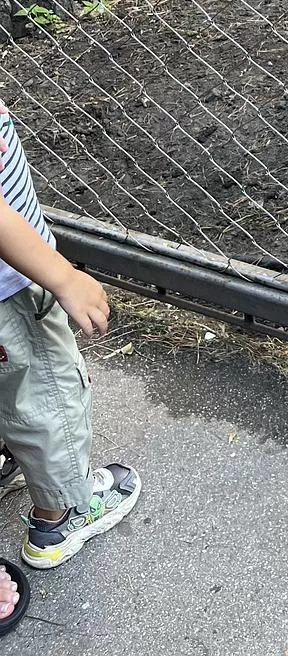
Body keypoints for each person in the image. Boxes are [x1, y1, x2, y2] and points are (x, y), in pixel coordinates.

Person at [0, 102, 140, 568]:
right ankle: (59, 517)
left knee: (9, 391)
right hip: (13, 292)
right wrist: (63, 277)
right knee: (48, 400)